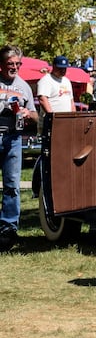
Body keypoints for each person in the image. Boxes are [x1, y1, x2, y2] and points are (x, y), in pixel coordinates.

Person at [0, 46, 37, 250]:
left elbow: (35, 116)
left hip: (13, 139)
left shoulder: (24, 87)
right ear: (2, 65)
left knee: (12, 185)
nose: (15, 67)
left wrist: (26, 113)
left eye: (17, 64)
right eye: (10, 64)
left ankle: (8, 229)